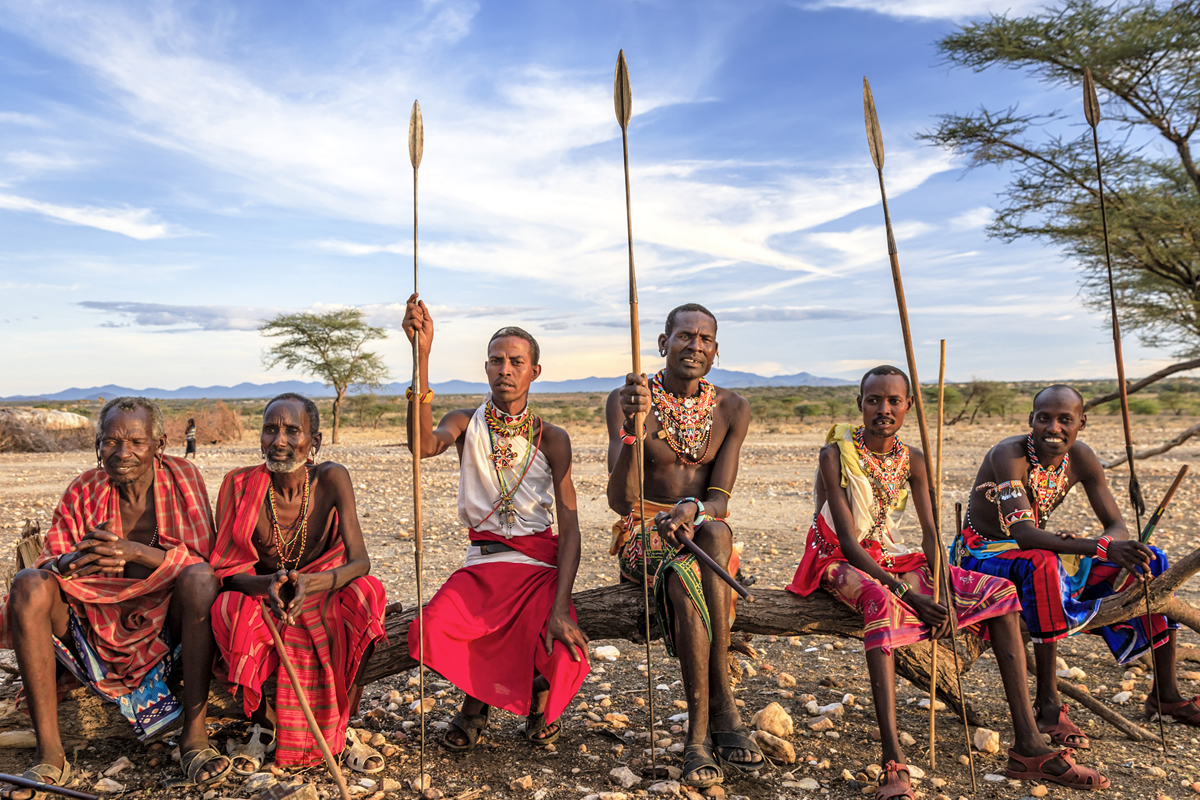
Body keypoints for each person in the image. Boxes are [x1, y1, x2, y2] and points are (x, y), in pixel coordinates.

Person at [786, 368, 1108, 796]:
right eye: (874, 400)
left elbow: (929, 535)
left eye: (894, 401)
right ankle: (892, 760)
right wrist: (909, 594)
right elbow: (847, 541)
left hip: (891, 553)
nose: (884, 409)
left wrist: (940, 591)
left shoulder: (914, 458)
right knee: (881, 600)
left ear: (909, 406)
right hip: (837, 558)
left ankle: (1029, 745)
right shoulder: (834, 454)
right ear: (860, 403)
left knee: (1000, 591)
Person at [0, 397, 229, 796]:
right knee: (28, 583)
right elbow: (51, 560)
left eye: (137, 442)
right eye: (111, 441)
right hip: (91, 627)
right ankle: (50, 754)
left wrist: (134, 552)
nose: (123, 452)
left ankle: (194, 737)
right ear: (98, 445)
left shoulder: (183, 476)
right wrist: (77, 559)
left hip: (167, 628)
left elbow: (203, 560)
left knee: (200, 580)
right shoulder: (84, 487)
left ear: (159, 444)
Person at [956, 383, 1199, 749]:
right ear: (1031, 420)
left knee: (1152, 558)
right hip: (983, 554)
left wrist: (1108, 546)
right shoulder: (1008, 454)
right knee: (1042, 565)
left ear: (1081, 423)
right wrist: (1098, 547)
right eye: (1044, 418)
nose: (1053, 427)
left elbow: (1116, 526)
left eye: (1064, 420)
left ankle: (1166, 693)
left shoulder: (1081, 457)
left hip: (1037, 546)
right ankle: (1048, 705)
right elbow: (1024, 534)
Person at [402, 294, 590, 751]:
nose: (505, 369)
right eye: (496, 360)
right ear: (486, 368)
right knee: (430, 629)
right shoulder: (465, 423)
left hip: (538, 566)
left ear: (534, 372)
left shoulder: (553, 438)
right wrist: (421, 355)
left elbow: (570, 527)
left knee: (559, 644)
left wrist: (561, 607)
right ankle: (485, 698)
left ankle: (523, 699)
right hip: (484, 565)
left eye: (516, 362)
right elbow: (422, 445)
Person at [606, 303, 763, 789]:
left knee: (715, 534)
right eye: (684, 336)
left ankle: (709, 721)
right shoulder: (629, 399)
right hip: (644, 528)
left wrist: (692, 509)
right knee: (682, 574)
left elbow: (720, 500)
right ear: (663, 343)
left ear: (715, 350)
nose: (695, 346)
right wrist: (633, 430)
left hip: (701, 529)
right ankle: (713, 720)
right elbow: (621, 501)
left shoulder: (733, 408)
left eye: (705, 339)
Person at [209, 393, 387, 774]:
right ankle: (265, 723)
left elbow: (360, 561)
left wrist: (311, 583)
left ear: (314, 442)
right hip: (264, 595)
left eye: (293, 431)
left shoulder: (332, 479)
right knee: (226, 609)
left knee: (368, 594)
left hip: (323, 590)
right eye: (270, 430)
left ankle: (340, 724)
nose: (279, 440)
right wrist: (268, 586)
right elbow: (226, 571)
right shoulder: (238, 485)